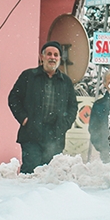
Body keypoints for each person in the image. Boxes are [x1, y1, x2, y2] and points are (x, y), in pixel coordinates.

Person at [8, 41, 78, 173]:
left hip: (55, 136)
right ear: (42, 57)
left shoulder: (66, 82)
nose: (52, 57)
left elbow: (73, 107)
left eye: (56, 55)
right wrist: (24, 119)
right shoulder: (29, 76)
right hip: (31, 134)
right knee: (31, 172)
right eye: (49, 54)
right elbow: (13, 99)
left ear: (59, 58)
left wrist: (65, 124)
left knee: (51, 175)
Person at [88, 71, 110, 163]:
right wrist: (102, 147)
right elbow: (93, 129)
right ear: (105, 84)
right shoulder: (99, 105)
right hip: (106, 151)